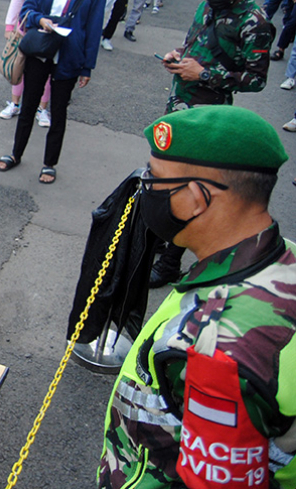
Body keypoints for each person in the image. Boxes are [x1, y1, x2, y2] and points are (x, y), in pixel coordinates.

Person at [97, 105, 296, 489]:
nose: (144, 188)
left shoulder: (216, 348)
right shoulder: (281, 256)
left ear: (194, 198)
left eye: (154, 179)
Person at [149, 0, 274, 287]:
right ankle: (164, 239)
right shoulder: (208, 6)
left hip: (209, 113)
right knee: (164, 175)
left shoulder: (256, 22)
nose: (211, 0)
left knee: (189, 185)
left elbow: (255, 79)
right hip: (179, 104)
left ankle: (171, 262)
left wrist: (204, 74)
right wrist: (179, 57)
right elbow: (196, 43)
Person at [0, 0, 106, 185]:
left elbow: (94, 27)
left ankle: (49, 163)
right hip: (40, 52)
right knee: (28, 105)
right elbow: (28, 8)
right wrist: (41, 20)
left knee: (58, 111)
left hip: (69, 57)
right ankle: (16, 153)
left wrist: (87, 66)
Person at [2, 0, 60, 123]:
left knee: (46, 72)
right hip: (26, 31)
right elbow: (17, 1)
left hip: (50, 34)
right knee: (19, 66)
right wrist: (10, 26)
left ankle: (42, 109)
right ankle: (15, 103)